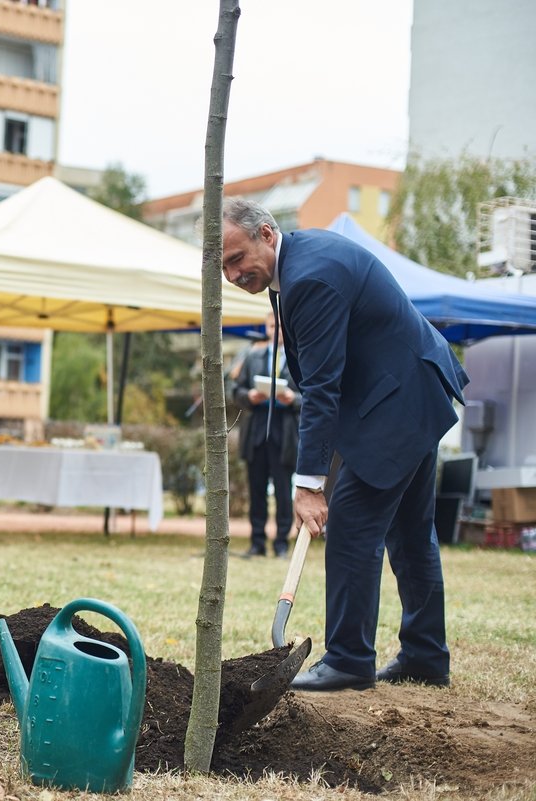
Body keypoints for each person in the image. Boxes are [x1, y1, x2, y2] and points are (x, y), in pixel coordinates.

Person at [221, 198, 468, 692]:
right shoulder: (301, 260)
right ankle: (425, 655)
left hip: (397, 402)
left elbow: (323, 387)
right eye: (221, 266)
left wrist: (310, 485)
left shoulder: (308, 277)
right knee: (411, 534)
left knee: (354, 523)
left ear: (266, 234)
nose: (232, 275)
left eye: (236, 258)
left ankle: (349, 660)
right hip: (409, 392)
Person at [229, 311, 300, 558]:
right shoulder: (253, 356)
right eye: (272, 325)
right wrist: (248, 396)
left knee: (283, 492)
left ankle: (281, 544)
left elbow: (312, 396)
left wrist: (293, 399)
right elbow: (235, 390)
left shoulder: (298, 357)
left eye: (280, 326)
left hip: (284, 433)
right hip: (257, 431)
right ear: (267, 327)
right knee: (256, 491)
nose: (276, 329)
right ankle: (257, 543)